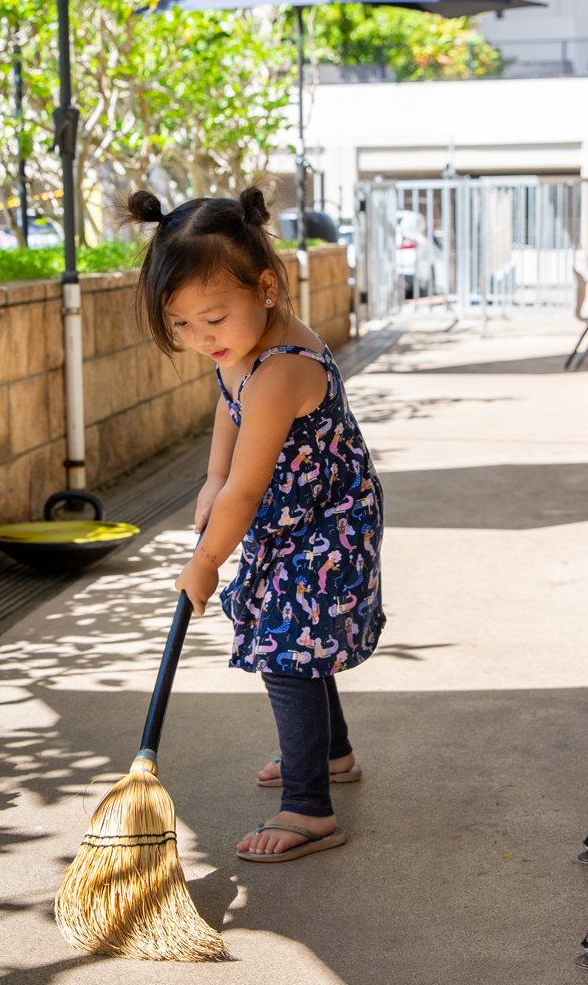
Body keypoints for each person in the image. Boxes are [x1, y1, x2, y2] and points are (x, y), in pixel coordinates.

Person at [122, 186, 385, 863]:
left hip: (326, 525)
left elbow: (246, 489)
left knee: (287, 649)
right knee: (301, 639)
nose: (201, 339)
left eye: (211, 319)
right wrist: (210, 475)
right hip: (295, 519)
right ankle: (333, 754)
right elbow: (226, 415)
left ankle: (308, 809)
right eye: (181, 326)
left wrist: (206, 562)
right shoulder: (242, 349)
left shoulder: (280, 370)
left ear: (266, 288)